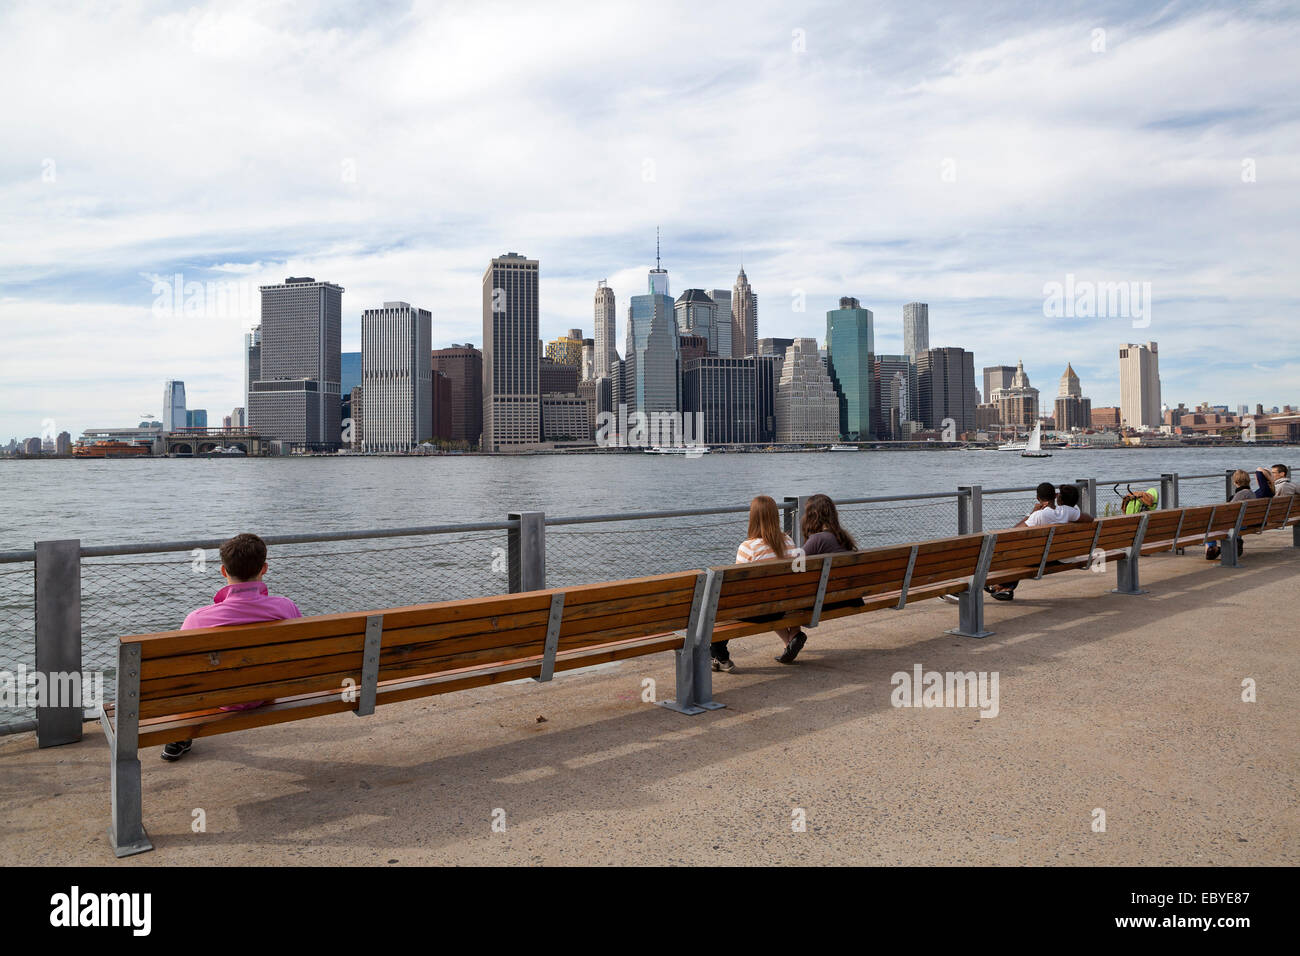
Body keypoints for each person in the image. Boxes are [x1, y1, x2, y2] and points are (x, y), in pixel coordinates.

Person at [162, 533, 301, 762]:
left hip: (219, 698)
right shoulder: (286, 608)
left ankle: (180, 734)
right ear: (264, 568)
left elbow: (176, 671)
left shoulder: (197, 620)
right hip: (267, 691)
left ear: (223, 571)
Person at [712, 495, 803, 673]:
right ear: (775, 516)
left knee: (715, 609)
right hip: (781, 608)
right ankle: (792, 637)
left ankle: (720, 657)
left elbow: (737, 587)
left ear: (752, 518)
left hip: (756, 611)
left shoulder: (748, 547)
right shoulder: (789, 541)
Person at [783, 494, 860, 663]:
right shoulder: (843, 537)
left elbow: (795, 567)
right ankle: (791, 638)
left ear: (812, 516)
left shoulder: (817, 539)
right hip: (849, 596)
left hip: (828, 600)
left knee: (787, 594)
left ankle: (792, 636)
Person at [986, 483, 1091, 602]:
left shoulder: (1038, 515)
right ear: (1055, 496)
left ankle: (1003, 586)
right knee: (1021, 557)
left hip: (1042, 559)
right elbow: (1090, 519)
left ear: (1038, 499)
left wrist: (1031, 513)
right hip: (1059, 556)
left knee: (1013, 557)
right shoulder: (1067, 512)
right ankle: (1003, 587)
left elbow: (1012, 533)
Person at [1206, 470, 1254, 561]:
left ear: (1235, 482)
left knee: (1210, 525)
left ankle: (1213, 548)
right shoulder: (1252, 493)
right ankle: (1236, 542)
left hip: (1239, 525)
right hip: (1246, 523)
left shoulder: (1240, 494)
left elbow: (1229, 511)